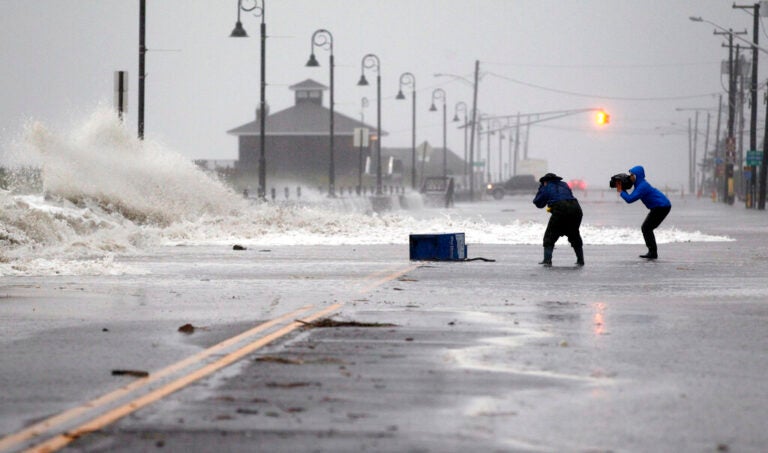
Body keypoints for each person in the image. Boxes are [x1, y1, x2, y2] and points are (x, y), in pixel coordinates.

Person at [616, 165, 672, 260]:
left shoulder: (642, 186)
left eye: (632, 175)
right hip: (659, 207)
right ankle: (652, 252)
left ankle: (652, 252)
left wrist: (621, 191)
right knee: (647, 228)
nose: (630, 177)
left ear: (637, 175)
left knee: (646, 228)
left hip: (662, 206)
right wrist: (623, 186)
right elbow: (631, 194)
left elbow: (630, 199)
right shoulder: (639, 184)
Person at [533, 173, 584, 267]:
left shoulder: (547, 186)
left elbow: (538, 203)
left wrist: (541, 188)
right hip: (576, 208)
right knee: (574, 234)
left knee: (550, 235)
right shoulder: (564, 184)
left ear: (545, 181)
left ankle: (547, 260)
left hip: (561, 209)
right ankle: (580, 260)